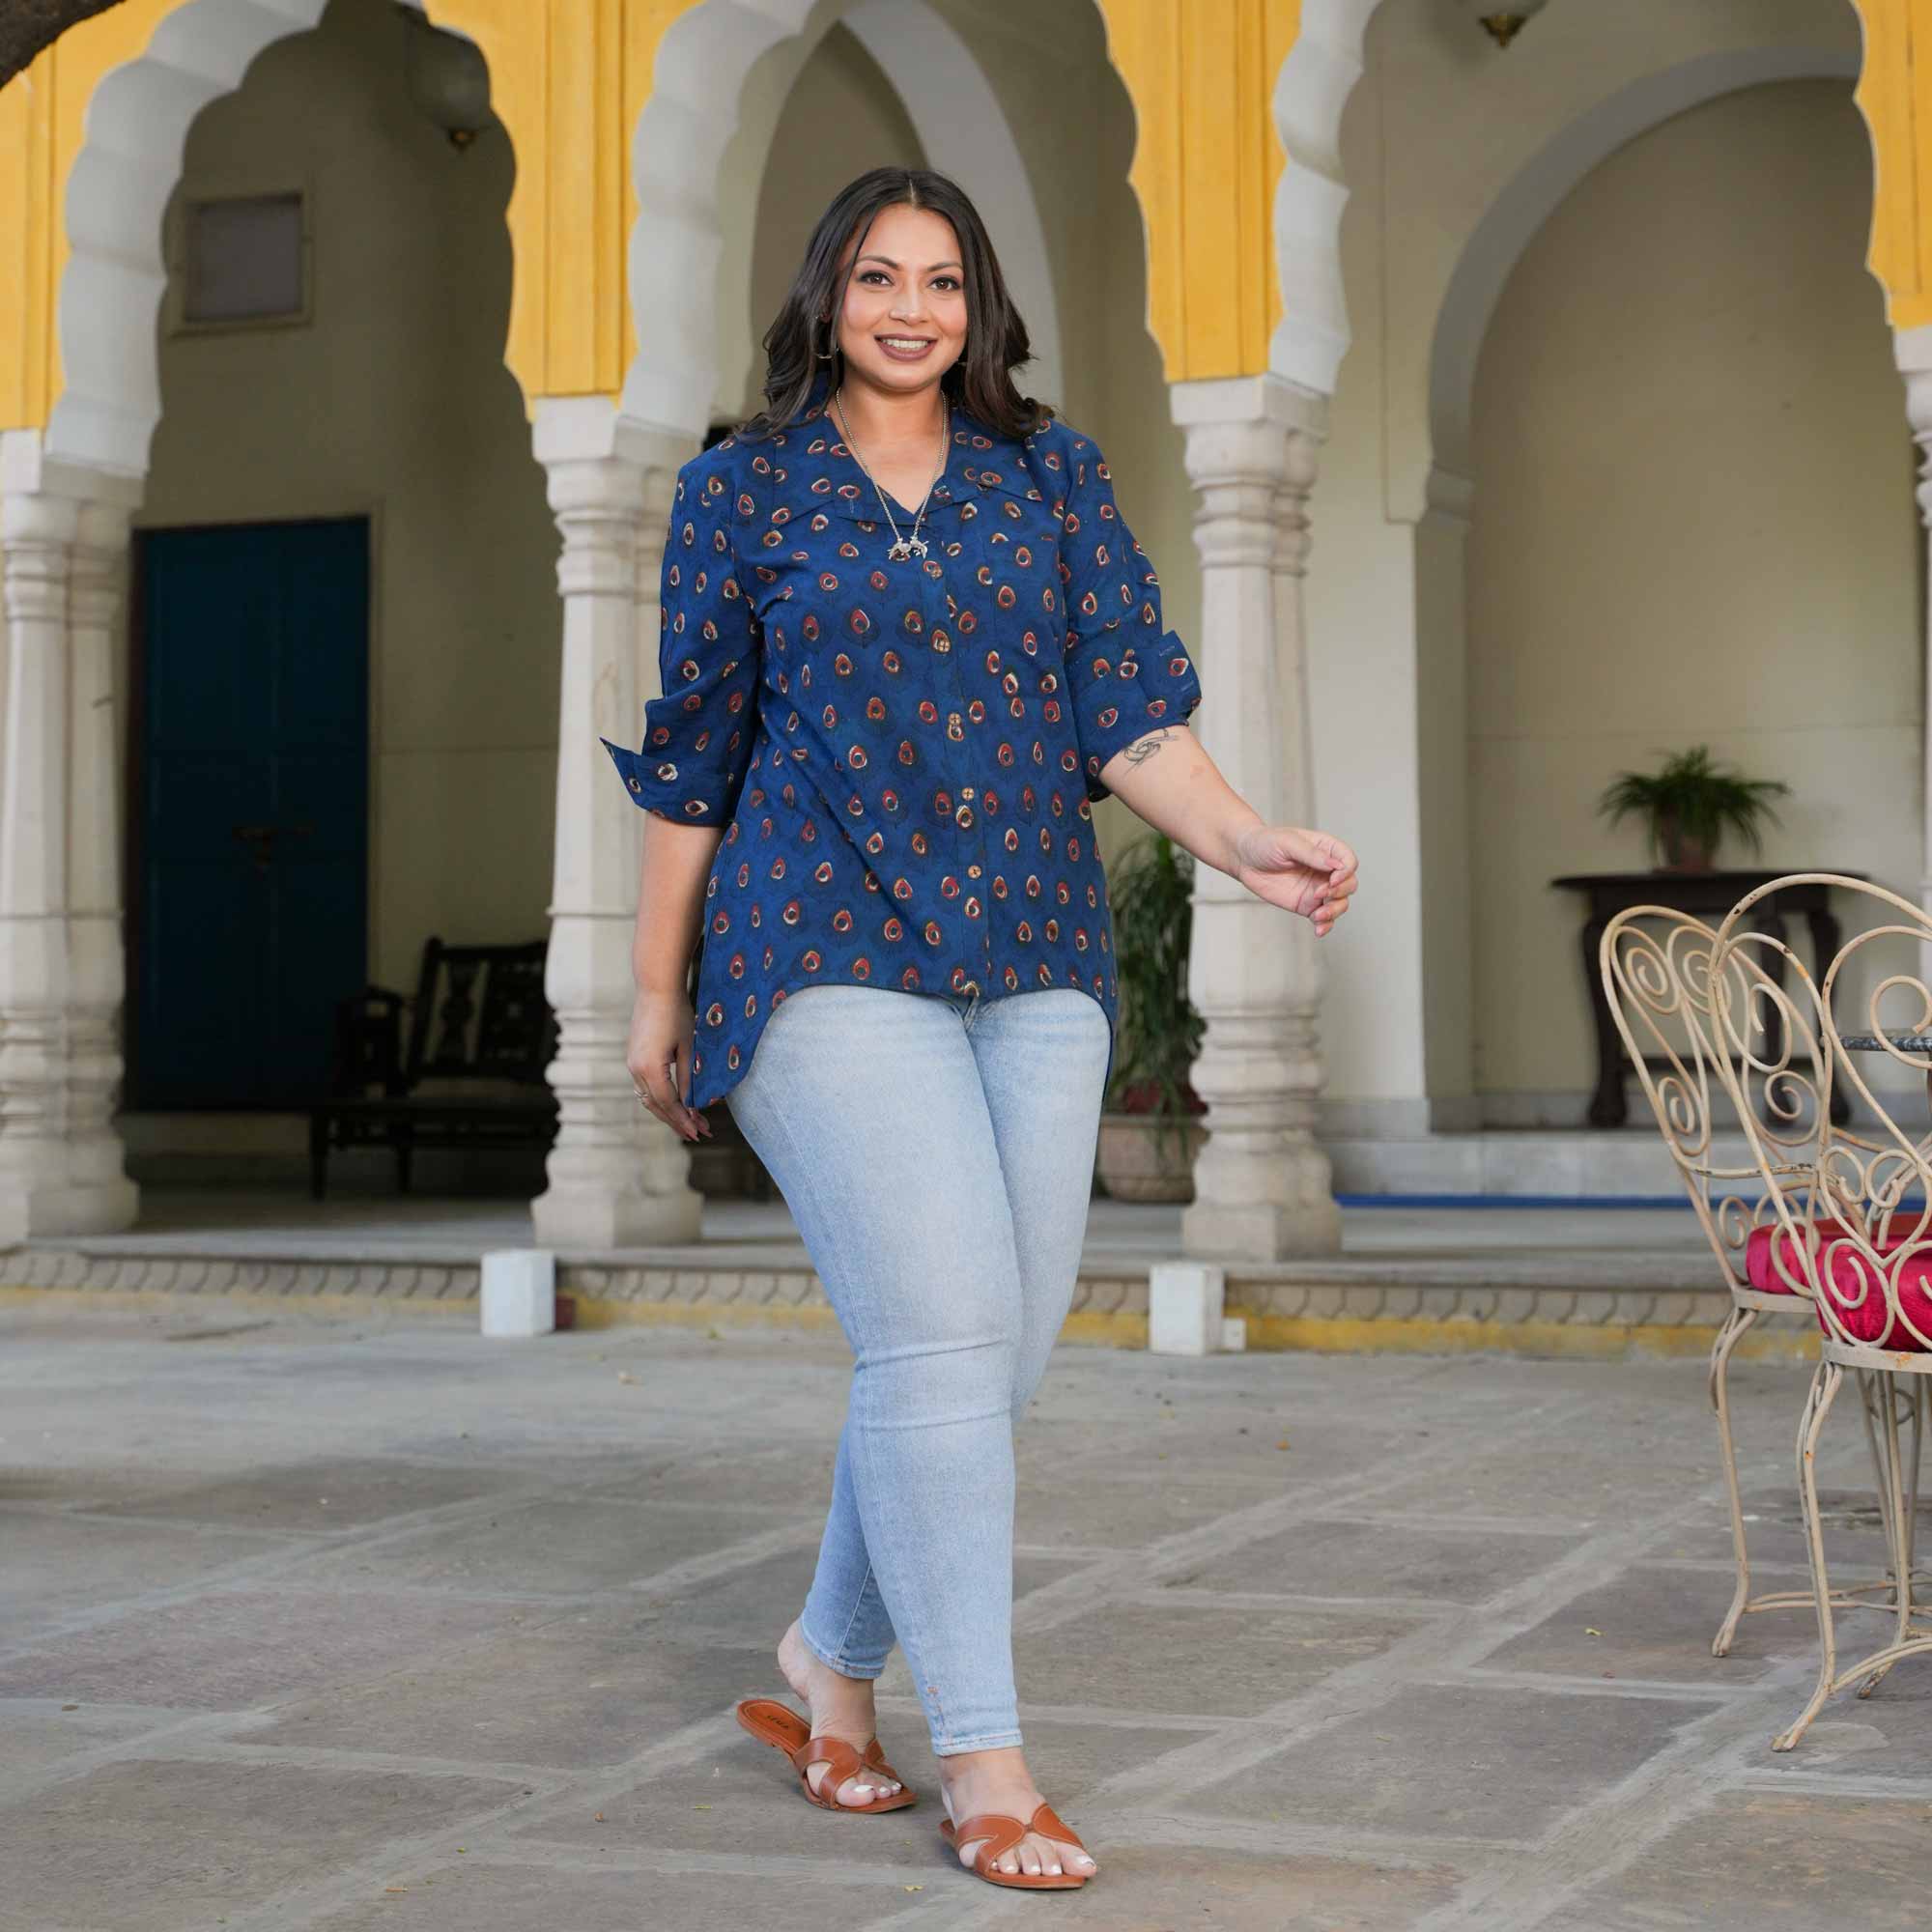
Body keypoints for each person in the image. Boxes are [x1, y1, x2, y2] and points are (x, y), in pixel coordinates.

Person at [604, 166, 1358, 1893]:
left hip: (1031, 954)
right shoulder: (745, 490)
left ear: (980, 309)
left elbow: (1129, 717)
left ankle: (825, 1664)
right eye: (878, 276)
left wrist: (1251, 844)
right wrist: (654, 995)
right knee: (943, 1342)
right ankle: (990, 1758)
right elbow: (692, 762)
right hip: (816, 947)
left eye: (943, 281)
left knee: (987, 1359)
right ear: (827, 298)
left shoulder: (1053, 476)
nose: (911, 308)